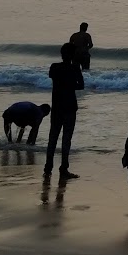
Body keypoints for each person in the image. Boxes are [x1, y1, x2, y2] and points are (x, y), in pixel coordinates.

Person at [44, 42, 84, 180]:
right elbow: (81, 86)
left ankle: (48, 168)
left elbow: (54, 79)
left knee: (52, 138)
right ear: (73, 55)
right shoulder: (75, 68)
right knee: (66, 139)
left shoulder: (54, 67)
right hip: (70, 107)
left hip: (57, 107)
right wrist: (70, 84)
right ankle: (64, 169)